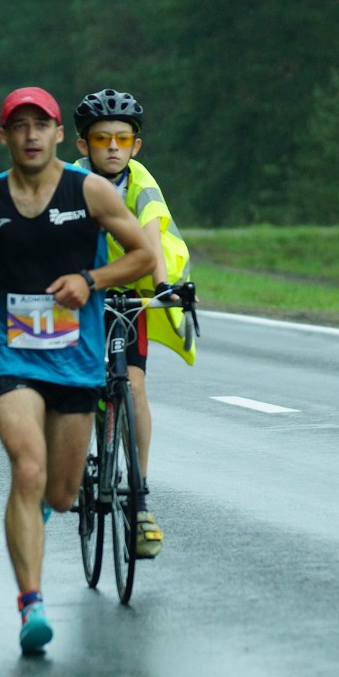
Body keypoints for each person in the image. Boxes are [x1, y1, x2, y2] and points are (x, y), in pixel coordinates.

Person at [0, 87, 154, 654]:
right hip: (14, 355)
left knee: (60, 495)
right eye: (20, 126)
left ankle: (35, 513)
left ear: (60, 134)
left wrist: (91, 280)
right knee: (27, 467)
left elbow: (143, 255)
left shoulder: (89, 191)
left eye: (42, 125)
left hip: (75, 358)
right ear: (5, 136)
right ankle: (30, 605)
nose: (31, 135)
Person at [73, 88, 194, 560]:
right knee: (78, 384)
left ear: (135, 146)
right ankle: (77, 459)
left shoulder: (141, 182)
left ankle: (140, 501)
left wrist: (163, 288)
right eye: (101, 138)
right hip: (80, 292)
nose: (113, 147)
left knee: (135, 388)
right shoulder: (70, 181)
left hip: (131, 291)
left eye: (122, 139)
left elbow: (152, 236)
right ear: (83, 145)